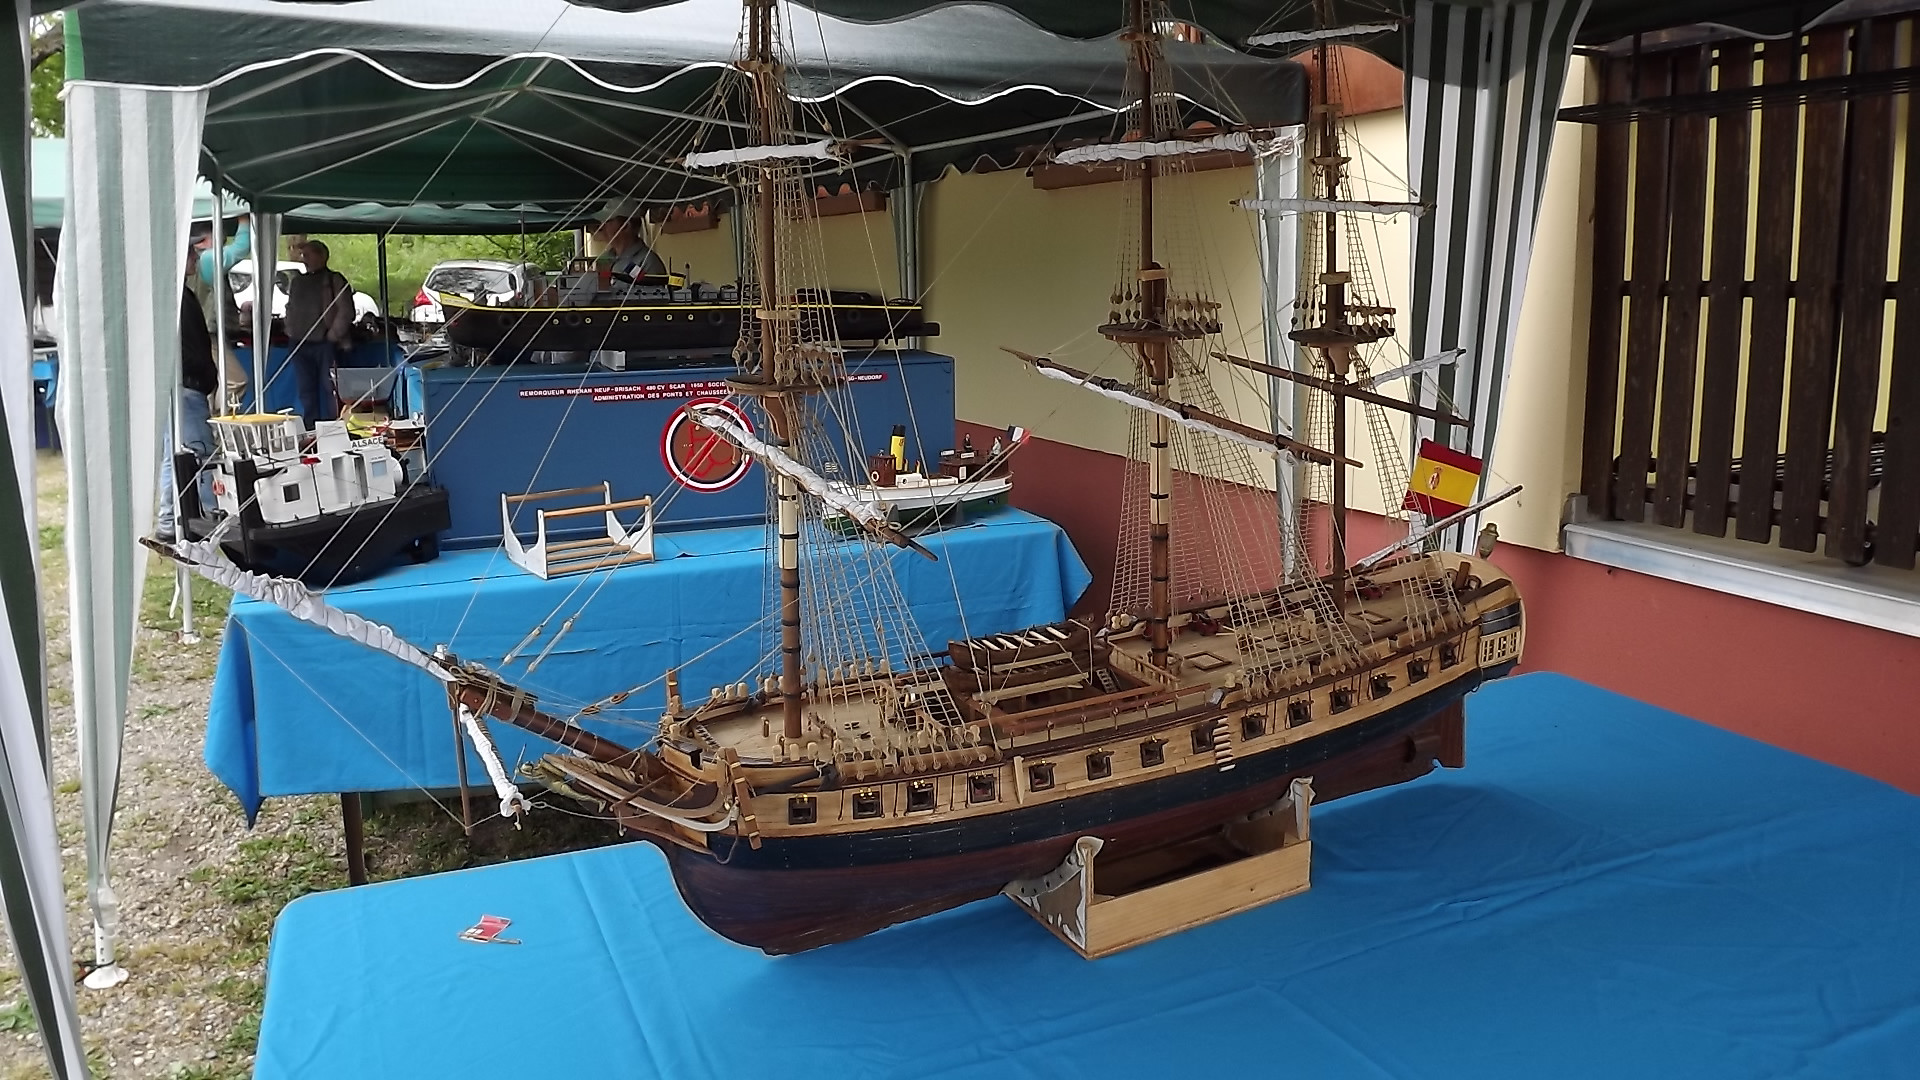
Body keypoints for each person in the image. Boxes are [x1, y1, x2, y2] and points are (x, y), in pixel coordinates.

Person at [157, 247, 221, 542]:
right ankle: (211, 513)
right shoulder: (176, 299)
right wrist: (203, 372)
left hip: (181, 384)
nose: (196, 259)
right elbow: (182, 347)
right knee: (200, 452)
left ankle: (169, 519)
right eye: (191, 254)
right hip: (186, 385)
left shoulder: (176, 295)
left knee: (175, 455)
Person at [283, 239, 354, 428]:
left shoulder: (334, 280)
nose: (304, 259)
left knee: (332, 388)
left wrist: (332, 335)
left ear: (322, 256)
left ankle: (336, 427)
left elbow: (346, 310)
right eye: (303, 255)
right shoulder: (297, 281)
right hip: (299, 342)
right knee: (305, 390)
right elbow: (290, 307)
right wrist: (290, 329)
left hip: (324, 343)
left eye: (308, 255)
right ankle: (310, 429)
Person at [591, 198, 667, 280]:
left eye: (607, 222)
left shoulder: (647, 263)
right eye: (601, 223)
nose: (601, 228)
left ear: (626, 226)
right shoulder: (604, 259)